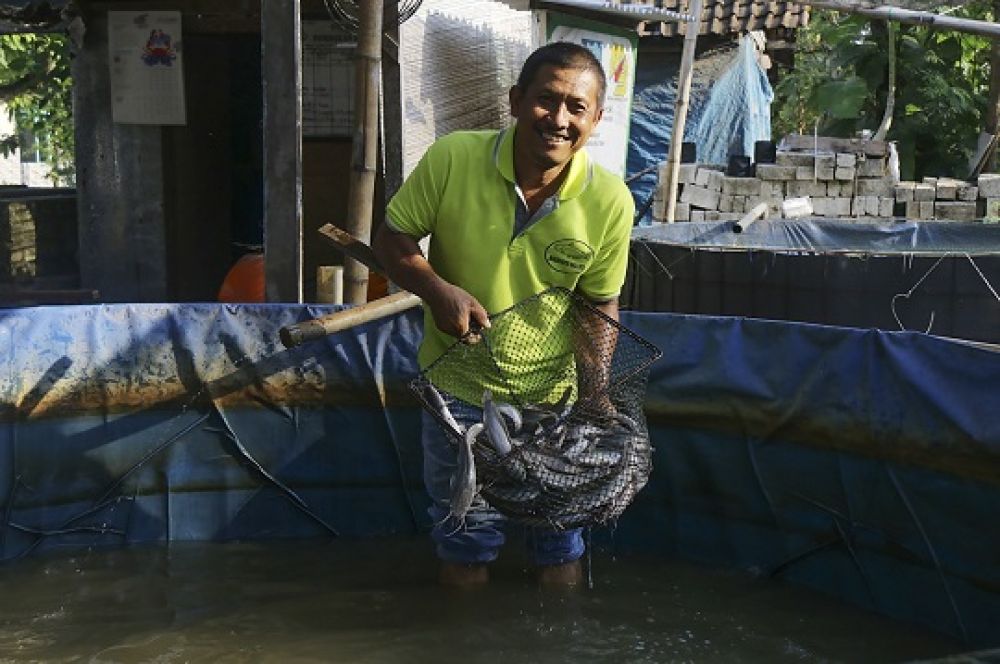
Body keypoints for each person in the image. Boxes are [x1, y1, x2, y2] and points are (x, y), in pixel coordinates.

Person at [373, 41, 634, 587]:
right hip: (456, 391)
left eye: (576, 108)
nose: (558, 119)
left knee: (558, 542)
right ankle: (466, 629)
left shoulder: (610, 200)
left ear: (595, 120)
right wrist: (437, 290)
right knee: (465, 541)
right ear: (516, 101)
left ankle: (561, 630)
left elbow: (598, 303)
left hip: (554, 402)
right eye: (546, 100)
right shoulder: (453, 158)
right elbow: (393, 238)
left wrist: (595, 392)